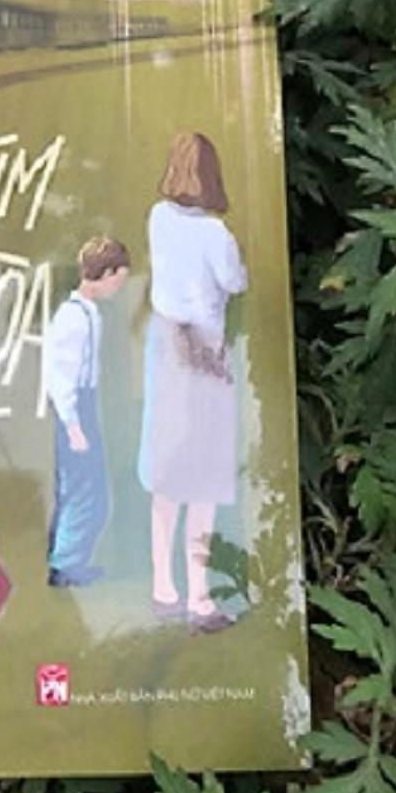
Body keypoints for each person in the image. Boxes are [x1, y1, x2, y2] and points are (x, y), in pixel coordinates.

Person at [137, 133, 247, 632]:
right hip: (201, 349)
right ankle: (199, 599)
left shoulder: (158, 217)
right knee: (202, 477)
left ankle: (163, 588)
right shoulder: (216, 235)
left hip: (163, 343)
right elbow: (234, 282)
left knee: (166, 472)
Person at [44, 236, 131, 588]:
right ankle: (65, 564)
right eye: (118, 280)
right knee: (81, 486)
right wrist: (73, 424)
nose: (118, 288)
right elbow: (60, 375)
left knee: (88, 486)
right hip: (75, 405)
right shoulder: (73, 317)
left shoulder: (88, 313)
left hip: (85, 401)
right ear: (106, 274)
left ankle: (69, 560)